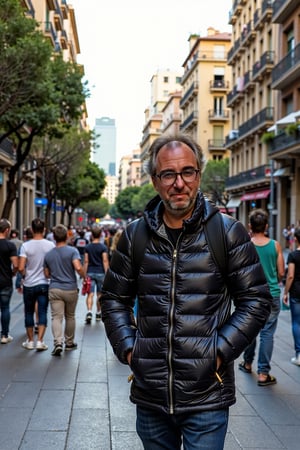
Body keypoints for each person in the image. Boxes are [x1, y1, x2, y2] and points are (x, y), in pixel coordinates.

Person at [100, 133, 272, 450]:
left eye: (187, 172)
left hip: (207, 395)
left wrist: (218, 351)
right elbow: (113, 299)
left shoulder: (227, 232)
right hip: (150, 397)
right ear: (154, 180)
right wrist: (129, 349)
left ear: (198, 175)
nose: (179, 183)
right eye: (168, 174)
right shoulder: (135, 236)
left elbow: (256, 299)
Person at [239, 208, 285, 385]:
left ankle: (247, 363)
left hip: (252, 295)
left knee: (250, 330)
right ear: (266, 226)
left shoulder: (246, 245)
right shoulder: (275, 245)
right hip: (271, 294)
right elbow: (281, 272)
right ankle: (263, 374)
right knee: (267, 333)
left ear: (250, 226)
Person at [44, 224, 84, 356]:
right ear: (67, 236)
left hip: (55, 288)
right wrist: (84, 276)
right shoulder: (73, 251)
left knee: (56, 317)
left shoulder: (49, 255)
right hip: (70, 288)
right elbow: (78, 267)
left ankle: (58, 343)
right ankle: (69, 342)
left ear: (54, 237)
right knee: (70, 316)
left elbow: (46, 274)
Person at [18, 218, 55, 351]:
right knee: (43, 311)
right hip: (45, 283)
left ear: (32, 230)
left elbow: (21, 267)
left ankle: (30, 341)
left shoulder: (25, 246)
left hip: (29, 284)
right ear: (44, 230)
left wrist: (24, 275)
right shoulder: (50, 245)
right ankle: (40, 341)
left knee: (28, 312)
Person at [83, 225, 109, 324]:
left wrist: (84, 274)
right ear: (101, 235)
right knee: (99, 294)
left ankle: (89, 311)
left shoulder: (88, 247)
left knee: (90, 294)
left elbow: (86, 261)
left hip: (90, 272)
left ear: (92, 235)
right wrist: (107, 273)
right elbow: (105, 260)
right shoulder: (103, 247)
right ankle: (98, 313)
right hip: (101, 272)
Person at [283, 227, 300, 366]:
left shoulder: (293, 255)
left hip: (296, 292)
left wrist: (285, 293)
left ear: (295, 239)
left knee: (296, 323)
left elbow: (290, 276)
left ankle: (299, 354)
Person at [0, 218, 18, 344]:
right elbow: (16, 265)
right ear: (7, 230)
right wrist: (13, 273)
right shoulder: (10, 245)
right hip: (5, 280)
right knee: (5, 308)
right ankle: (4, 335)